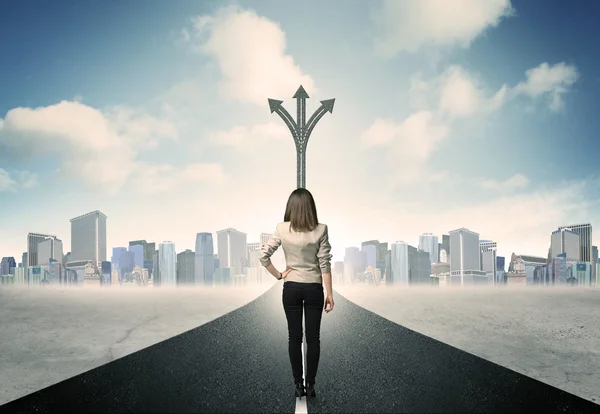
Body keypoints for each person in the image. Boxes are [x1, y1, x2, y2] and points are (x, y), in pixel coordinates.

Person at [259, 188, 334, 400]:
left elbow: (264, 256)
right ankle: (311, 385)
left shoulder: (282, 229)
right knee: (313, 338)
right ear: (311, 206)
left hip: (290, 287)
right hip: (313, 287)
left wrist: (279, 275)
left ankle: (297, 385)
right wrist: (330, 293)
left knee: (294, 337)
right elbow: (324, 264)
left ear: (290, 207)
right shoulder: (321, 229)